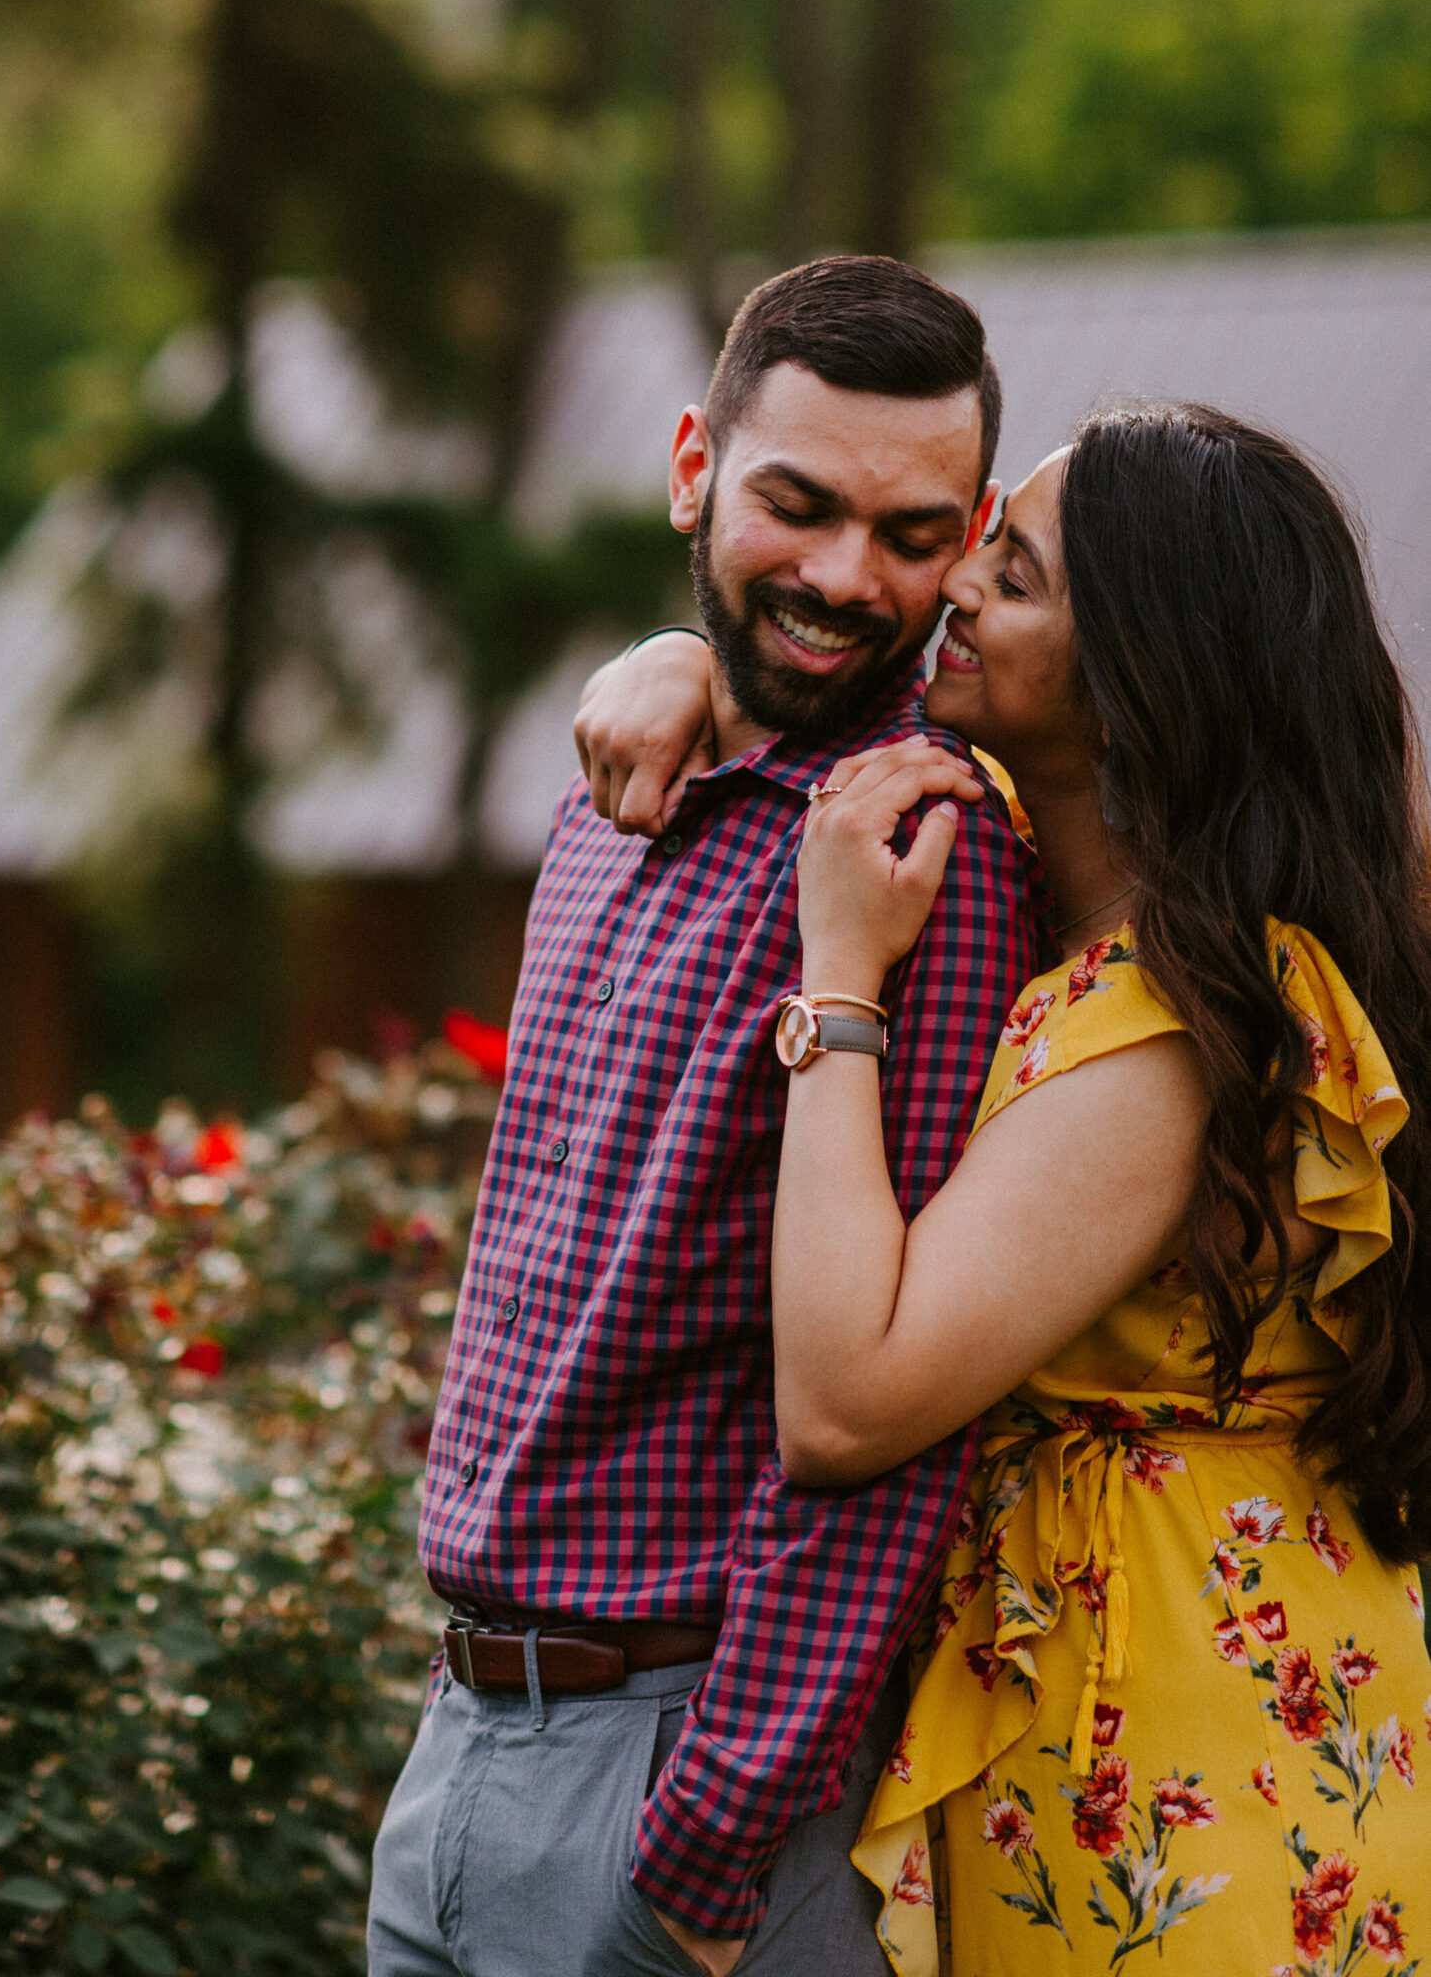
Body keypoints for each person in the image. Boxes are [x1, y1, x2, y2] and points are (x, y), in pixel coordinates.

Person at [600, 402, 1431, 1972]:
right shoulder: (1087, 949)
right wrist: (668, 656)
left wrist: (835, 976)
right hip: (1129, 1695)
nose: (957, 588)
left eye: (1018, 573)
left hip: (1181, 1764)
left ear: (1138, 681)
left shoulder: (1168, 1025)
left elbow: (846, 1403)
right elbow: (804, 657)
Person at [365, 255, 1054, 1977]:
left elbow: (889, 1408)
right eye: (795, 506)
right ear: (693, 468)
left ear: (967, 540)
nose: (842, 578)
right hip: (465, 1732)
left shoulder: (917, 855)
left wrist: (709, 1841)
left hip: (675, 1779)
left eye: (910, 536)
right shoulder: (615, 789)